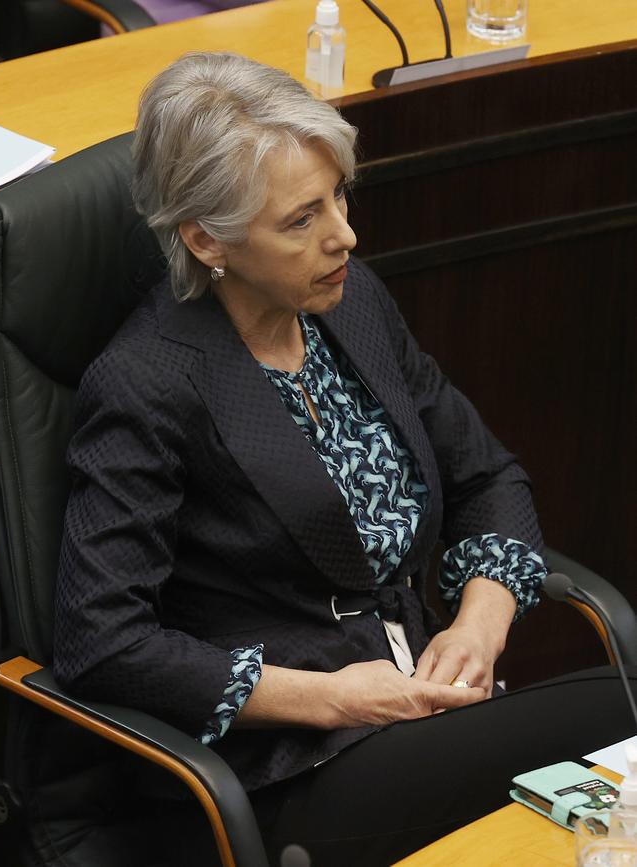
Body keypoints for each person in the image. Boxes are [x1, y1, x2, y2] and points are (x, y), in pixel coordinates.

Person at [53, 52, 637, 867]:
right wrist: (327, 697)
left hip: (428, 710)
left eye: (339, 194)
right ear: (205, 239)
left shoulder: (348, 299)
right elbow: (102, 640)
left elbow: (486, 474)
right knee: (621, 707)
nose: (345, 234)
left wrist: (480, 619)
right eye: (301, 219)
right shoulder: (147, 382)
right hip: (290, 770)